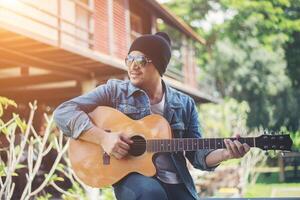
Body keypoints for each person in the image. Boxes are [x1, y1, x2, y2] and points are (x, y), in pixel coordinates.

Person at [53, 32, 250, 200]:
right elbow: (63, 112)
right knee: (152, 194)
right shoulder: (114, 91)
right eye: (129, 59)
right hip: (135, 181)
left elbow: (197, 156)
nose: (132, 66)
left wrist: (226, 154)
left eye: (140, 60)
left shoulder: (184, 104)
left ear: (159, 65)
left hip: (176, 182)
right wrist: (103, 137)